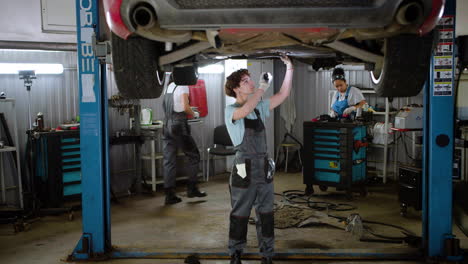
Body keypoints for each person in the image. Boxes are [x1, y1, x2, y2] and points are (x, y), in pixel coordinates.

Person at [224, 55, 294, 264]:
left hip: (263, 167)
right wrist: (263, 86)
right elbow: (244, 110)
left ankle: (267, 254)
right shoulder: (231, 110)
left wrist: (289, 68)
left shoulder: (259, 107)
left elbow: (282, 94)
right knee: (240, 214)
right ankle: (235, 252)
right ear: (236, 89)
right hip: (243, 167)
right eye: (246, 81)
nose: (252, 83)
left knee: (266, 214)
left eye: (251, 79)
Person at [162, 79, 206, 205]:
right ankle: (192, 189)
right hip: (178, 125)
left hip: (166, 125)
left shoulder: (168, 87)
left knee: (169, 160)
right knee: (194, 155)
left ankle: (169, 196)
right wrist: (195, 114)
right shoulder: (183, 86)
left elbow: (168, 106)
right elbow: (185, 108)